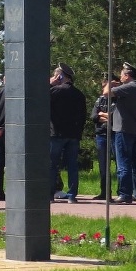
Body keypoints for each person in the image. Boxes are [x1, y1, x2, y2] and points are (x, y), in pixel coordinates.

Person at [108, 62, 136, 203]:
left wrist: (111, 84)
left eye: (122, 75)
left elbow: (106, 93)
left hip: (123, 129)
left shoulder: (129, 86)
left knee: (123, 162)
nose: (120, 77)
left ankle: (125, 193)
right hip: (134, 128)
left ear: (127, 75)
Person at [49, 64, 87, 204]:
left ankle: (50, 195)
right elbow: (83, 116)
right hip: (74, 134)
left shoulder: (54, 91)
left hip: (56, 133)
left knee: (52, 165)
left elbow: (39, 100)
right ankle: (72, 196)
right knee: (72, 165)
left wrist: (49, 84)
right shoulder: (79, 94)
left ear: (59, 76)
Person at [90, 78, 117, 200]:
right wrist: (102, 115)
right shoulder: (99, 100)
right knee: (103, 166)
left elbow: (114, 117)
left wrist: (103, 115)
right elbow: (94, 116)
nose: (103, 90)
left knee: (119, 165)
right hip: (101, 135)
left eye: (105, 87)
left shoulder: (117, 100)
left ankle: (123, 193)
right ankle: (105, 192)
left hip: (114, 135)